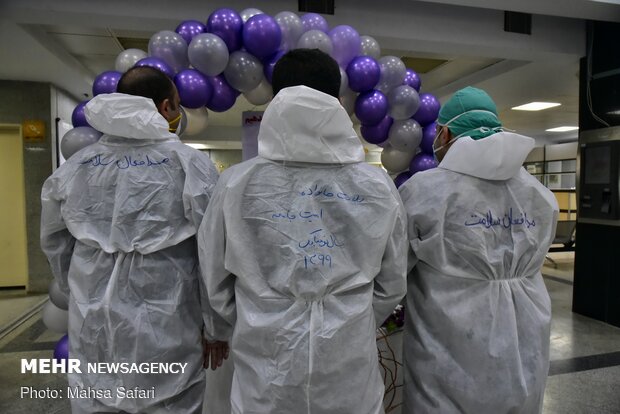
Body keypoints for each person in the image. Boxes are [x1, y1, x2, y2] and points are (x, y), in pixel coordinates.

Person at [197, 48, 408, 414]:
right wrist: (350, 316)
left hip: (264, 350)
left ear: (274, 100)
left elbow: (214, 276)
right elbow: (392, 281)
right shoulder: (376, 184)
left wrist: (237, 322)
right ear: (339, 101)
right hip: (348, 351)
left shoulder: (237, 183)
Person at [40, 66, 223, 413]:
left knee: (97, 393)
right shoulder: (188, 164)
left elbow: (55, 243)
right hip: (168, 312)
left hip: (93, 310)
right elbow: (212, 252)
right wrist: (216, 326)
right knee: (171, 397)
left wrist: (81, 288)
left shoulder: (77, 166)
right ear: (167, 107)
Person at [399, 86, 559, 413]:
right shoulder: (540, 195)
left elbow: (393, 272)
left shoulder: (424, 191)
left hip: (448, 344)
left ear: (444, 134)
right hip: (525, 337)